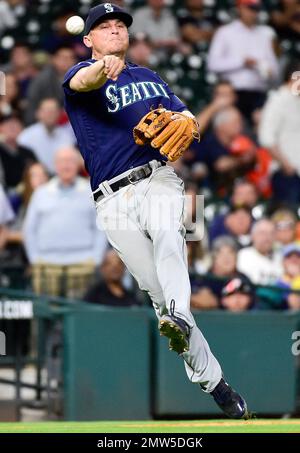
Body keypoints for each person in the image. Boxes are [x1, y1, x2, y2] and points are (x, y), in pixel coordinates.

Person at [62, 3, 250, 419]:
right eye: (104, 27)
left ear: (128, 35)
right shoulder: (81, 75)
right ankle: (215, 383)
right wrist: (101, 67)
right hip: (110, 199)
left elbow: (187, 119)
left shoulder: (149, 77)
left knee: (170, 234)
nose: (114, 31)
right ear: (88, 39)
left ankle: (181, 317)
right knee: (158, 296)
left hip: (157, 179)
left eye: (119, 26)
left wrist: (188, 121)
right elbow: (82, 81)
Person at [23, 147, 108, 298]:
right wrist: (35, 258)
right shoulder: (41, 193)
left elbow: (101, 227)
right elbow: (29, 229)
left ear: (78, 165)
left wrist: (95, 258)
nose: (66, 165)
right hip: (46, 266)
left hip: (83, 265)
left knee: (80, 315)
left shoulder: (91, 190)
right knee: (45, 316)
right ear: (55, 165)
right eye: (62, 161)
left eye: (70, 161)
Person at [207, 0, 279, 120]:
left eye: (256, 9)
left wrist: (266, 70)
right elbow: (212, 64)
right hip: (233, 93)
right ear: (240, 8)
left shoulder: (266, 34)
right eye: (250, 8)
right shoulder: (225, 32)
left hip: (259, 94)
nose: (253, 13)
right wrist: (241, 62)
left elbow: (275, 70)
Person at [258, 60, 300, 204]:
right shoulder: (277, 100)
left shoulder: (297, 101)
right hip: (288, 174)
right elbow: (266, 138)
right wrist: (286, 165)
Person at [17, 98, 76, 174]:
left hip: (61, 176)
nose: (50, 114)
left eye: (53, 111)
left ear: (59, 113)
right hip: (36, 178)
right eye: (47, 111)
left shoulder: (67, 136)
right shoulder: (26, 136)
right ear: (38, 113)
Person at [237, 219, 283, 285]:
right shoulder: (243, 255)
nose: (267, 237)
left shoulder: (281, 258)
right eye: (262, 233)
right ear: (252, 235)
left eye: (271, 233)